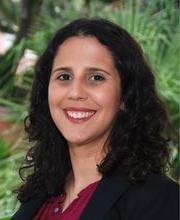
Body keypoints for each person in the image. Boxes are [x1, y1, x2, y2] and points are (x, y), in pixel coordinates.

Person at [12, 18, 179, 220]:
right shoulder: (38, 195)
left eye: (96, 77)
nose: (75, 93)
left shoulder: (161, 199)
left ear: (125, 96)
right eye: (64, 76)